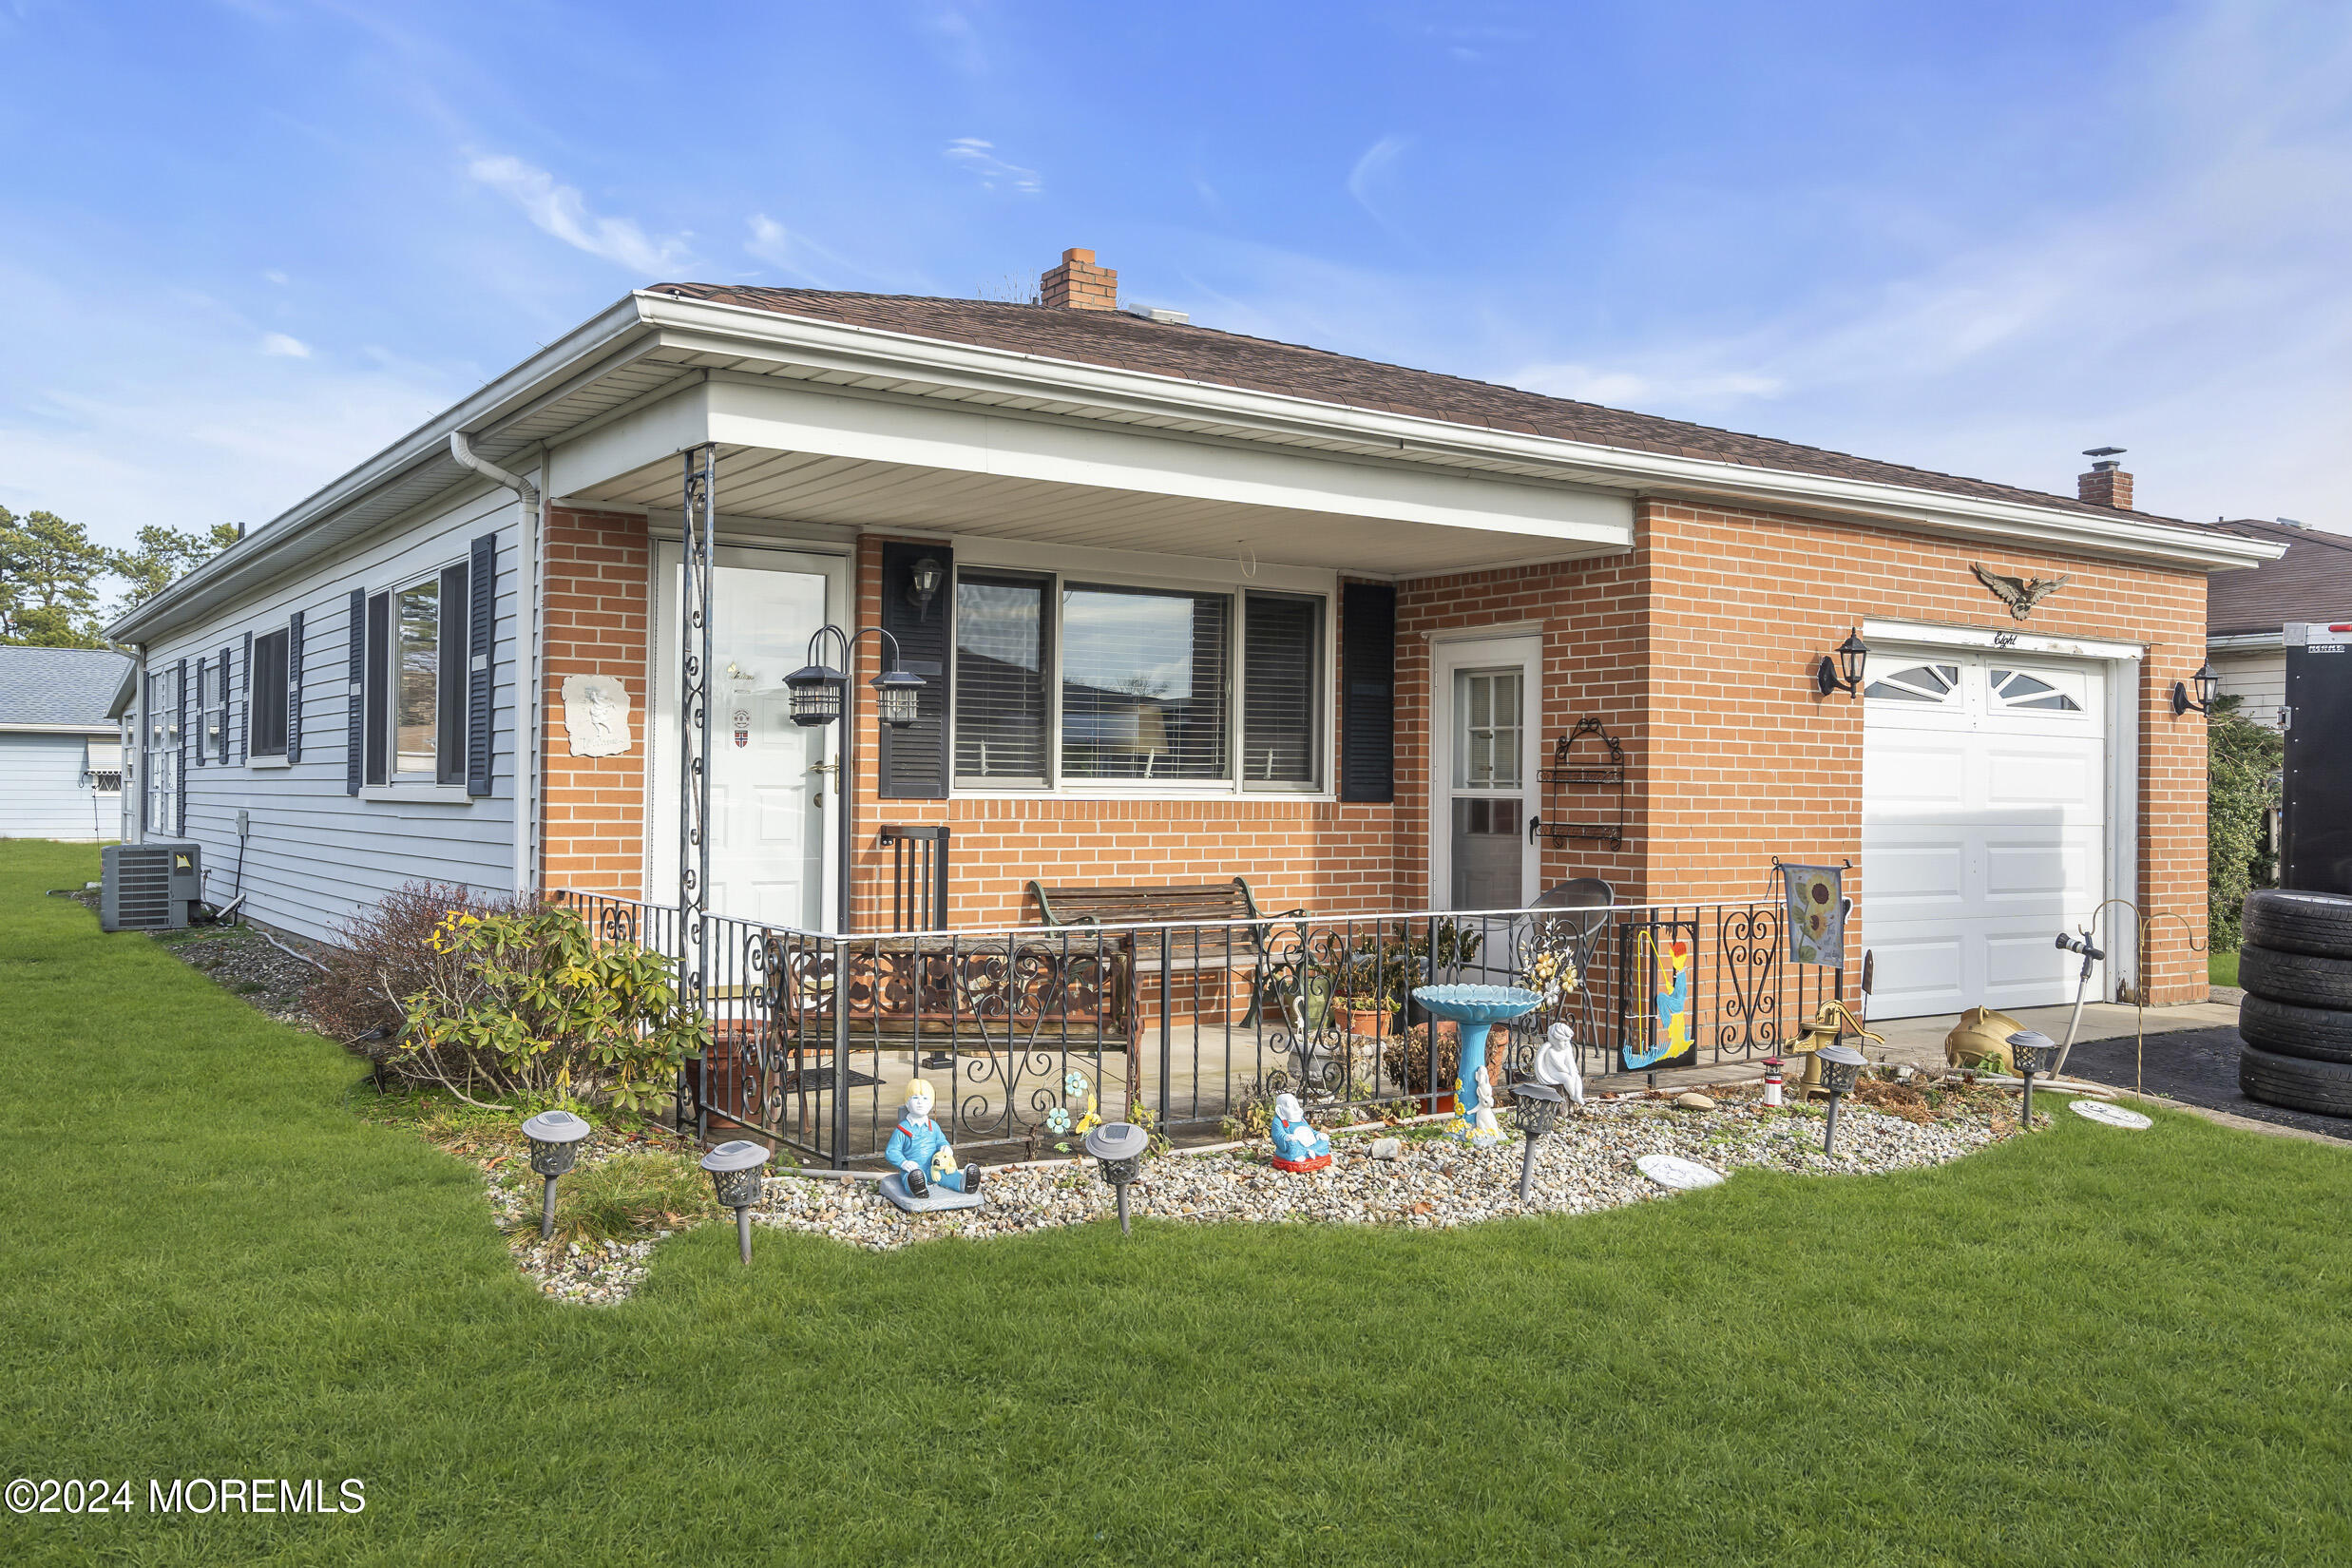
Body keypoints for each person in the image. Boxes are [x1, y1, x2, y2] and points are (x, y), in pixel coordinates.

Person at [886, 1079, 982, 1196]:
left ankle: (964, 1183)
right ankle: (917, 1188)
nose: (920, 1102)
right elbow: (892, 1151)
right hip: (914, 1167)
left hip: (934, 1166)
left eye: (925, 1098)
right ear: (907, 1103)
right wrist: (903, 1162)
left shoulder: (933, 1126)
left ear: (931, 1104)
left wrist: (945, 1147)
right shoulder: (902, 1129)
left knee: (948, 1173)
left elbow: (940, 1140)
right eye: (915, 1098)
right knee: (911, 1176)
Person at [1269, 1092, 1332, 1172]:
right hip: (1296, 1145)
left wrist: (1318, 1135)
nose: (1296, 1109)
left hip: (1310, 1144)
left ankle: (1309, 1152)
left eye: (1296, 1105)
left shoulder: (1300, 1118)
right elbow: (1277, 1135)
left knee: (1324, 1141)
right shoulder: (1278, 1121)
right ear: (1280, 1110)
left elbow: (1310, 1131)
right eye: (1290, 1107)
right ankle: (1301, 1153)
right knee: (1293, 1143)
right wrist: (1287, 1137)